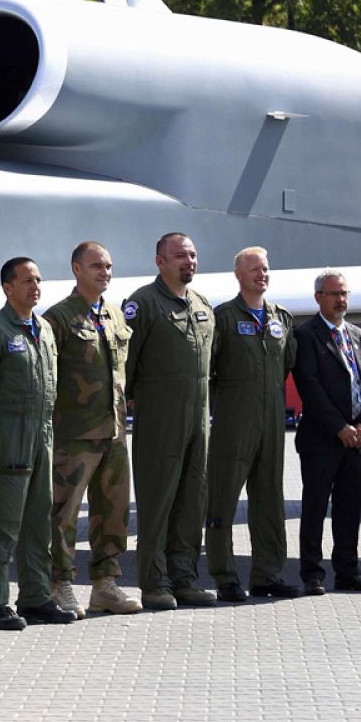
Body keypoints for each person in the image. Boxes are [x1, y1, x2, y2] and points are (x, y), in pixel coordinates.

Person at [42, 242, 141, 617]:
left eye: (109, 266)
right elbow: (48, 376)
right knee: (63, 513)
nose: (105, 272)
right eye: (96, 265)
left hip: (113, 431)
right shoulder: (59, 318)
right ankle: (60, 584)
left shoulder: (115, 316)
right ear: (76, 269)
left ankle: (106, 585)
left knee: (113, 513)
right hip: (73, 434)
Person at [0, 257, 76, 629]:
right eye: (27, 281)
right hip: (9, 441)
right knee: (5, 525)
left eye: (38, 280)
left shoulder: (45, 329)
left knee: (38, 523)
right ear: (8, 288)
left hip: (41, 437)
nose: (35, 286)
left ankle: (35, 597)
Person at [123, 232, 216, 610]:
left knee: (192, 501)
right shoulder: (142, 304)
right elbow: (126, 363)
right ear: (160, 261)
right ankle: (154, 583)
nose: (189, 261)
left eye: (192, 255)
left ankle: (185, 578)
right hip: (159, 418)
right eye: (180, 256)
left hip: (197, 419)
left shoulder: (202, 304)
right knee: (157, 500)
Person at [205, 247, 302, 602]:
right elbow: (210, 370)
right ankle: (224, 576)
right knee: (222, 500)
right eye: (254, 269)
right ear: (239, 275)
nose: (262, 274)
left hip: (272, 421)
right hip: (234, 420)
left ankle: (268, 574)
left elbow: (285, 364)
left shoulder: (282, 318)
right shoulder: (224, 318)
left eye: (265, 268)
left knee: (270, 501)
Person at [291, 269, 361, 595]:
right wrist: (339, 427)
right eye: (334, 294)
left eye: (344, 294)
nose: (341, 300)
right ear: (319, 298)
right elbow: (310, 388)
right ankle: (312, 575)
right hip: (321, 440)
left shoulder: (359, 335)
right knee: (315, 508)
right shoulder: (306, 336)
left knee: (349, 508)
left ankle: (348, 572)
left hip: (356, 441)